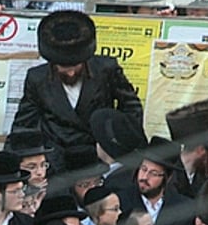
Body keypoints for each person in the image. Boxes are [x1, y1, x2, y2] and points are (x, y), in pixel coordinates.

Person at [13, 10, 143, 166]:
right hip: (56, 160)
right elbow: (25, 124)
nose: (71, 72)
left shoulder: (106, 69)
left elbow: (131, 108)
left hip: (98, 157)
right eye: (63, 67)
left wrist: (116, 146)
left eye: (75, 65)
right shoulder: (37, 78)